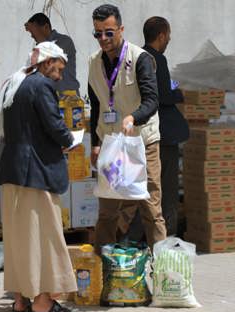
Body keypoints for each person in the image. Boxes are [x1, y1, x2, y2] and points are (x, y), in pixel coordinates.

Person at [0, 41, 78, 312]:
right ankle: (42, 302)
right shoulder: (40, 85)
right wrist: (70, 140)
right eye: (59, 65)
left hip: (13, 170)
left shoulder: (14, 82)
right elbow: (54, 125)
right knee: (44, 237)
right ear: (46, 62)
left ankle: (20, 300)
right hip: (35, 172)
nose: (61, 71)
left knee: (19, 240)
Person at [87, 4, 167, 252]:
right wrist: (96, 144)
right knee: (108, 211)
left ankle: (164, 269)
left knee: (151, 210)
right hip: (112, 145)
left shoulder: (141, 58)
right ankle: (102, 271)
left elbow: (152, 100)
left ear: (121, 29)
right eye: (98, 33)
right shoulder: (93, 63)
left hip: (142, 143)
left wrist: (133, 117)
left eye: (108, 32)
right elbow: (97, 105)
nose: (103, 39)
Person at [143, 16, 189, 237]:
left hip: (145, 133)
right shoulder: (157, 59)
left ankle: (143, 233)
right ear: (161, 36)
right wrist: (182, 94)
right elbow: (163, 95)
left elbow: (160, 85)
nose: (169, 39)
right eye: (168, 35)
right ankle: (168, 235)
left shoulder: (138, 56)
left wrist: (174, 84)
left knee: (147, 187)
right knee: (167, 189)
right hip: (163, 134)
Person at [24, 13, 79, 93]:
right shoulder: (41, 48)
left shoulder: (63, 41)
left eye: (33, 31)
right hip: (52, 98)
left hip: (68, 98)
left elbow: (49, 58)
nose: (32, 35)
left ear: (45, 27)